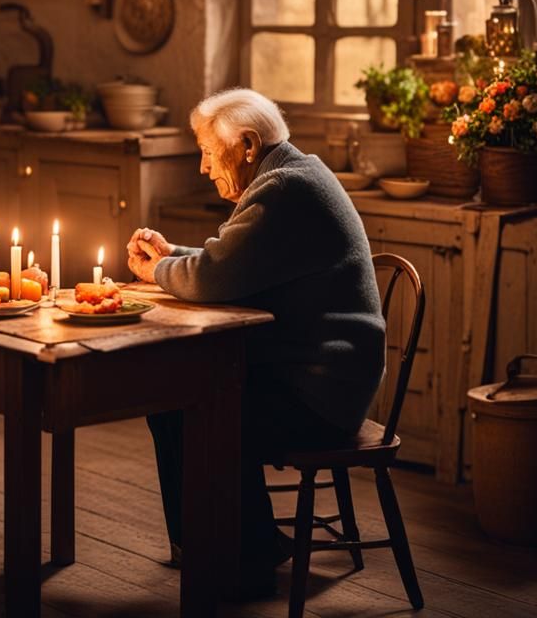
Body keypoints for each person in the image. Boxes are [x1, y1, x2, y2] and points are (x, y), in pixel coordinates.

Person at [126, 87, 385, 601]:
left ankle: (236, 554)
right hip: (312, 376)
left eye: (206, 152)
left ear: (246, 145)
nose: (203, 168)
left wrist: (157, 268)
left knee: (196, 407)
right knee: (177, 400)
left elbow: (214, 277)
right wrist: (172, 253)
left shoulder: (285, 189)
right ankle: (223, 543)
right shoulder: (289, 177)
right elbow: (235, 261)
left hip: (322, 396)